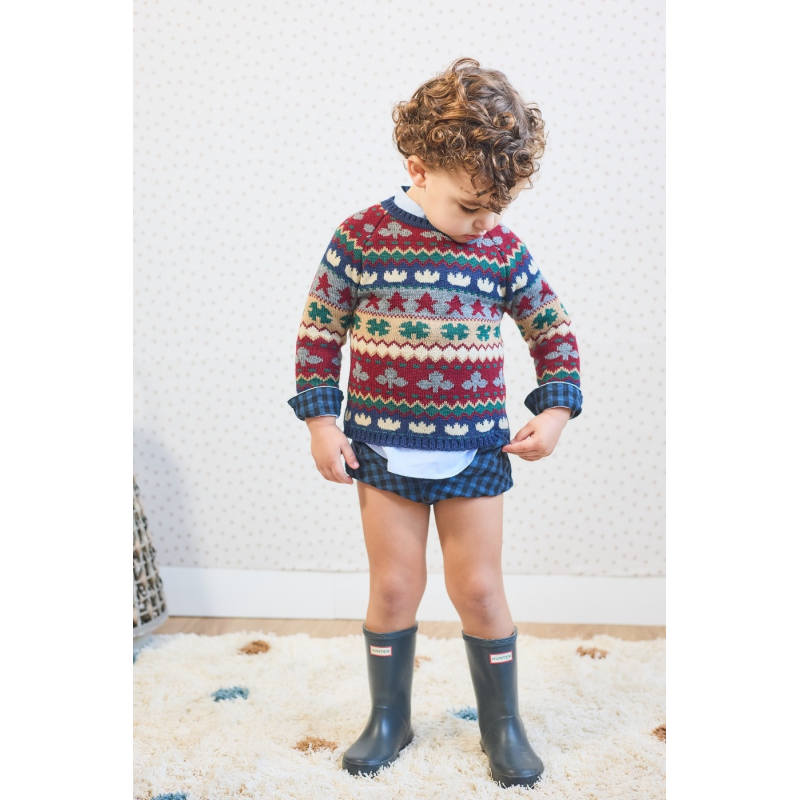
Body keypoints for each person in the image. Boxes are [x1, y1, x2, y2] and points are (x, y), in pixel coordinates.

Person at [286, 57, 583, 789]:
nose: (484, 221)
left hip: (475, 452)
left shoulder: (500, 249)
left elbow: (552, 330)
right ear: (418, 169)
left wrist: (555, 409)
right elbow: (319, 336)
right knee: (393, 587)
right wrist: (322, 424)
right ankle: (389, 717)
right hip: (381, 452)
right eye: (470, 205)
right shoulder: (360, 238)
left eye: (496, 208)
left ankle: (502, 725)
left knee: (478, 590)